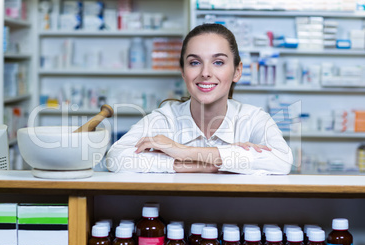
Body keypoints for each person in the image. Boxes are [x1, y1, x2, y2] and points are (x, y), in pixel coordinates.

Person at [106, 23, 293, 174]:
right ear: (183, 72)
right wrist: (202, 165)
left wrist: (183, 151)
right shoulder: (165, 118)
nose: (205, 73)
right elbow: (116, 157)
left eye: (218, 62)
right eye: (194, 63)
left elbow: (282, 160)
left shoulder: (253, 119)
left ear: (237, 71)